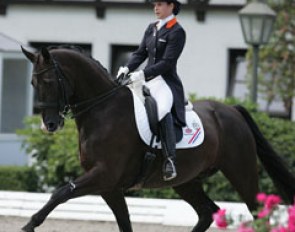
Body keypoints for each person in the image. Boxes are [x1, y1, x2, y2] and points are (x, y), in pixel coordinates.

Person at [117, 0, 186, 181]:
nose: (156, 8)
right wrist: (127, 68)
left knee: (162, 110)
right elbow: (140, 53)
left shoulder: (177, 31)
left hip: (164, 81)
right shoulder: (151, 27)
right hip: (145, 79)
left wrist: (142, 74)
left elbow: (167, 62)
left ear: (171, 6)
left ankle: (170, 159)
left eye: (160, 4)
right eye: (154, 4)